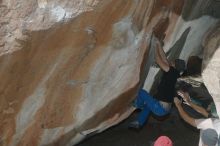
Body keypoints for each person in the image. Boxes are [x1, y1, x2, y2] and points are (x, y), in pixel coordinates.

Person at [129, 35, 186, 129]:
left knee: (141, 92)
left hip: (160, 107)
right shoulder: (176, 74)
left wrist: (155, 47)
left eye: (173, 62)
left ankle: (137, 104)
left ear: (175, 66)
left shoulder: (171, 71)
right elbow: (165, 59)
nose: (171, 61)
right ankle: (138, 122)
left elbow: (159, 60)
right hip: (164, 110)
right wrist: (159, 44)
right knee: (148, 106)